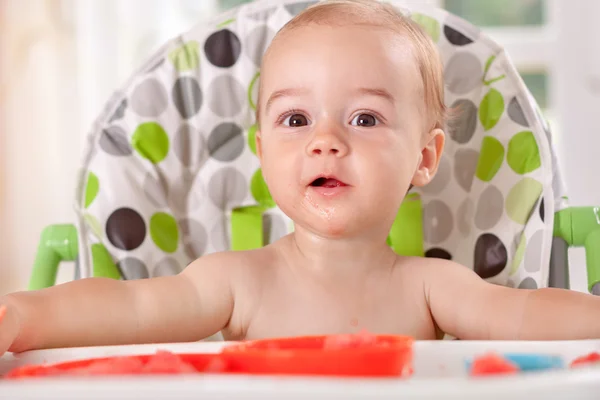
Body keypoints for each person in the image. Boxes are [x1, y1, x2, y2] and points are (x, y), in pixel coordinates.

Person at [1, 0, 598, 357]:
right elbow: (128, 307)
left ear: (424, 157)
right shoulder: (237, 283)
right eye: (295, 119)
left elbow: (526, 315)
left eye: (364, 118)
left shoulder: (432, 287)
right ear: (262, 153)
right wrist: (23, 318)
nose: (326, 140)